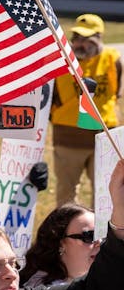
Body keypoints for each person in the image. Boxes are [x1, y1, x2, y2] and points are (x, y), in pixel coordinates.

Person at [51, 14, 122, 206]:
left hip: (105, 137)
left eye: (86, 39)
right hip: (68, 138)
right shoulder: (60, 61)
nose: (80, 44)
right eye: (77, 38)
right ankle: (66, 233)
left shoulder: (112, 59)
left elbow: (116, 94)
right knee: (66, 193)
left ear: (99, 38)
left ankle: (102, 234)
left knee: (106, 193)